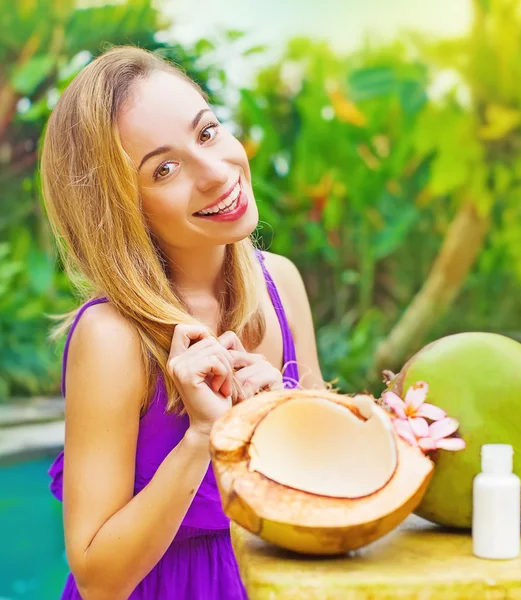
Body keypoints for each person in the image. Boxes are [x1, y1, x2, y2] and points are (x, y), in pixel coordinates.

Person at [40, 45, 326, 600]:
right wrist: (201, 436)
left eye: (208, 132)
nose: (216, 171)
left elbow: (321, 490)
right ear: (121, 208)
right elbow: (99, 579)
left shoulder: (282, 285)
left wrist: (288, 419)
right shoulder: (112, 338)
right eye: (164, 169)